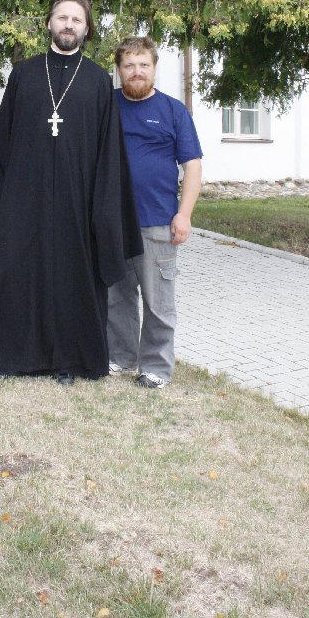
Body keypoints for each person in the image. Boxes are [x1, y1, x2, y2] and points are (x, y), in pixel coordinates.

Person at [0, 0, 143, 385]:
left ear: (87, 29)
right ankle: (12, 357)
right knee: (19, 271)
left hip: (77, 199)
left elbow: (109, 151)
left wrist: (102, 210)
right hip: (25, 196)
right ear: (49, 24)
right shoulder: (24, 74)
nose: (69, 25)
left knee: (73, 277)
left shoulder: (98, 80)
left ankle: (70, 361)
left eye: (76, 20)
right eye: (62, 17)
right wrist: (5, 198)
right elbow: (3, 143)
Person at [108, 35, 203, 389]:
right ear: (119, 70)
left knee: (158, 302)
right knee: (117, 297)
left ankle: (156, 368)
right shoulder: (107, 105)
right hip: (113, 223)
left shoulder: (173, 111)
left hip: (157, 222)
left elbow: (193, 166)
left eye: (143, 65)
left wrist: (184, 214)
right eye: (129, 65)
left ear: (154, 68)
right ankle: (121, 358)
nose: (137, 71)